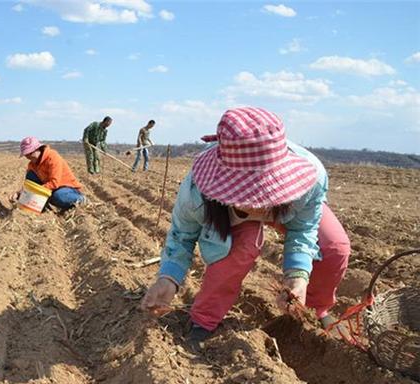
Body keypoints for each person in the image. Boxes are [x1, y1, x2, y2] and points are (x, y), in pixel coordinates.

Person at [140, 107, 350, 349]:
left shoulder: (310, 180)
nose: (259, 203)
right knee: (240, 247)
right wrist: (169, 278)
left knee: (334, 247)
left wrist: (298, 276)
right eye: (249, 196)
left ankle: (311, 308)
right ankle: (204, 319)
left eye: (266, 193)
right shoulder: (196, 194)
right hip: (228, 212)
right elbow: (182, 236)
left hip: (292, 203)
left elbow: (303, 230)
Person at [10, 136, 85, 210]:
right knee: (31, 175)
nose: (28, 157)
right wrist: (19, 194)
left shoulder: (52, 157)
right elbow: (29, 185)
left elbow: (54, 183)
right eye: (26, 155)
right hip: (50, 188)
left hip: (67, 188)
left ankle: (81, 199)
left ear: (37, 149)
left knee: (58, 196)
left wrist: (36, 191)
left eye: (30, 153)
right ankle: (42, 204)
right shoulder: (32, 165)